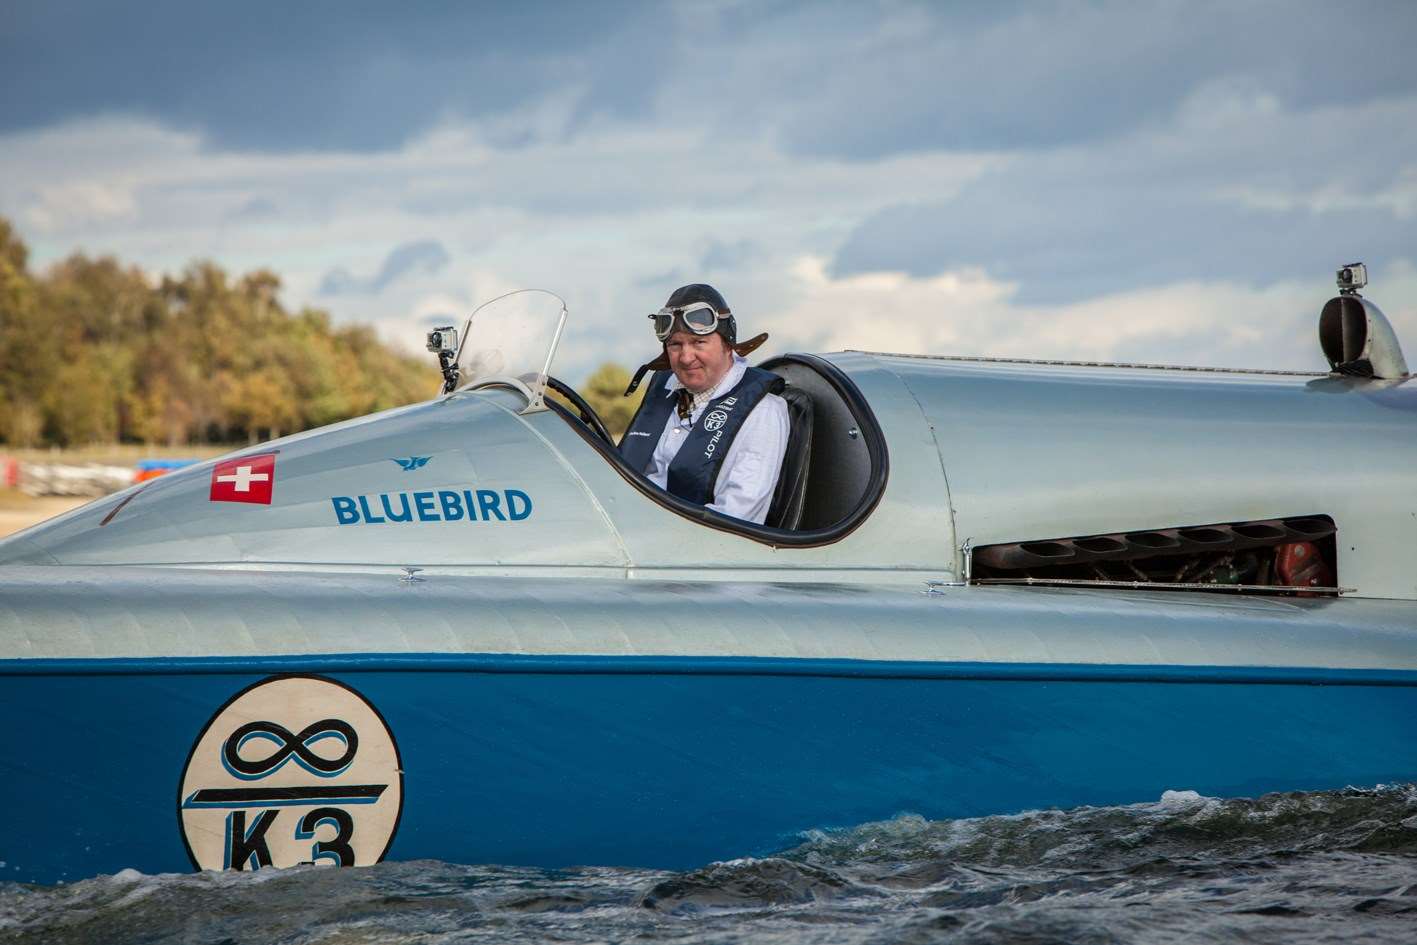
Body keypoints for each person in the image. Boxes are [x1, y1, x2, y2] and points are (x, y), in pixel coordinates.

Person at [619, 284, 789, 524]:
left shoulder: (763, 412)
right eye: (675, 345)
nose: (686, 358)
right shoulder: (666, 395)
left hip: (694, 550)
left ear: (728, 344)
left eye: (699, 342)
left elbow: (737, 516)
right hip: (630, 531)